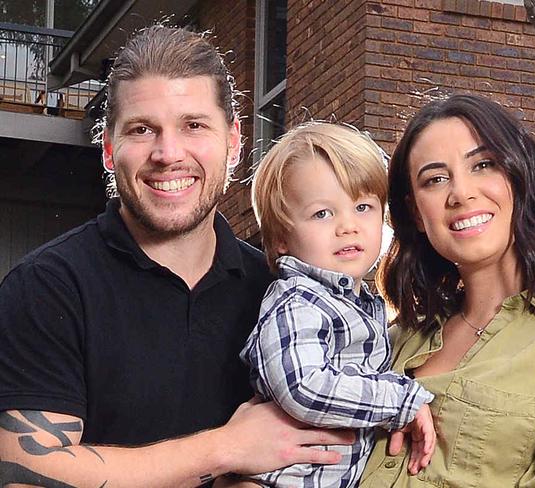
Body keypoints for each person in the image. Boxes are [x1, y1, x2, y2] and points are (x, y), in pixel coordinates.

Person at [0, 25, 354, 487]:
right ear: (109, 149)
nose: (168, 154)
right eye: (143, 129)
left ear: (234, 142)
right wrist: (228, 447)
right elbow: (25, 474)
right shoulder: (47, 287)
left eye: (194, 126)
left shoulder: (283, 292)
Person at [359, 94, 535, 487]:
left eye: (483, 165)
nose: (460, 193)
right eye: (435, 179)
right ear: (416, 212)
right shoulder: (387, 343)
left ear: (519, 177)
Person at [238, 122, 435, 487]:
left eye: (362, 207)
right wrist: (399, 402)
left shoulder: (363, 305)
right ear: (281, 237)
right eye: (322, 214)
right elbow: (304, 388)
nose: (348, 226)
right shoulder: (297, 303)